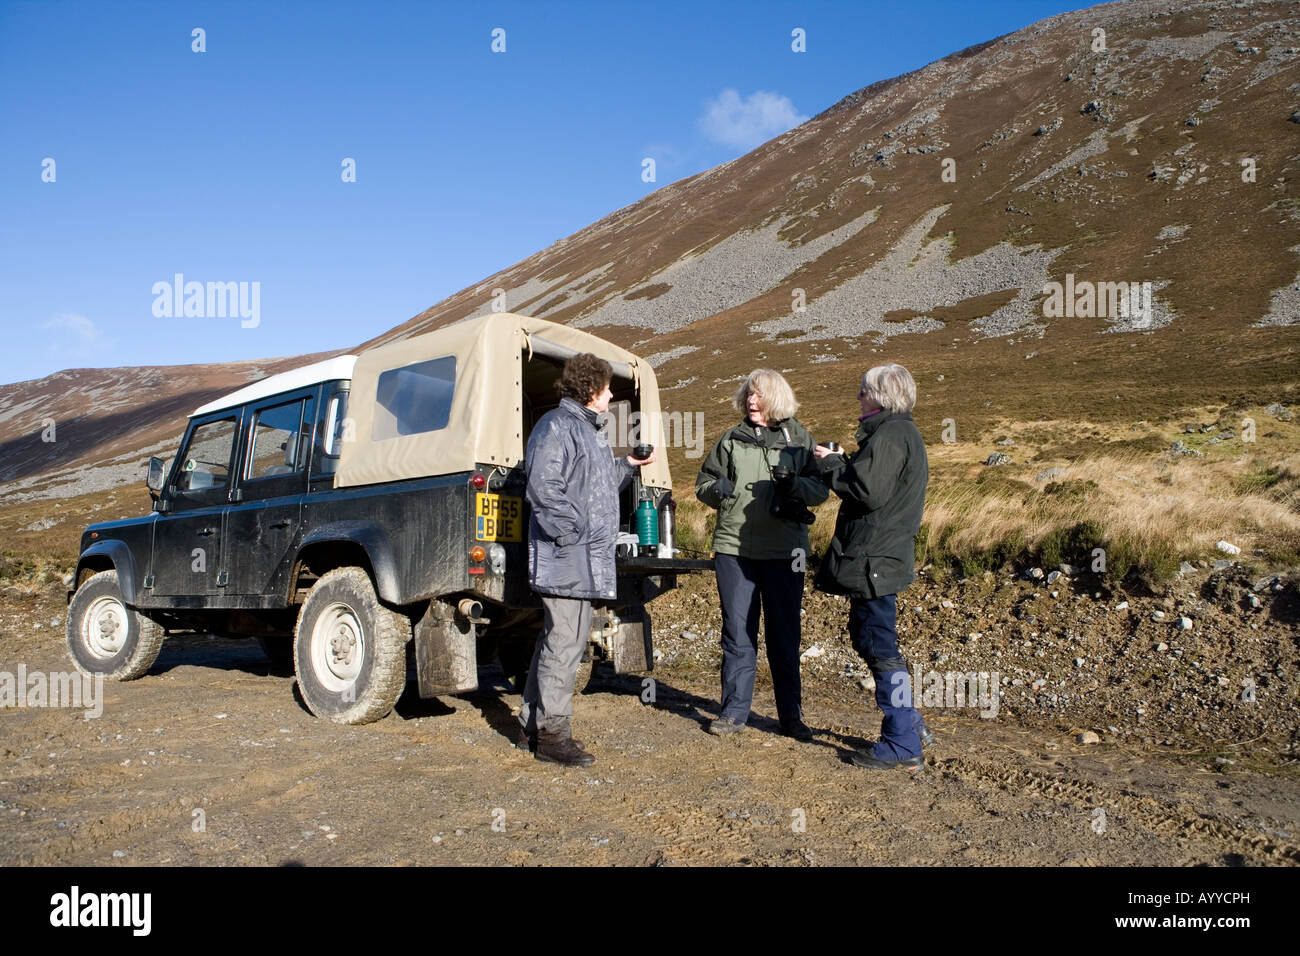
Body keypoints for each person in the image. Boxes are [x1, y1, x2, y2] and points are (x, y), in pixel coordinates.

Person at [519, 353, 655, 766]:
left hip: (581, 557)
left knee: (558, 641)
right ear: (590, 390)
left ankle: (531, 723)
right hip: (566, 556)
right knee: (565, 644)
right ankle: (552, 736)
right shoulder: (556, 427)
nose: (612, 394)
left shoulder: (588, 431)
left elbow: (596, 488)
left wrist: (628, 465)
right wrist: (571, 532)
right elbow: (543, 488)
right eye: (607, 387)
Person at [695, 369, 828, 740]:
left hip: (786, 551)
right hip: (734, 550)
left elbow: (820, 492)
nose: (751, 401)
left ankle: (791, 717)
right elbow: (702, 486)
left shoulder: (799, 438)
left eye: (759, 395)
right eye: (748, 395)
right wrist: (716, 489)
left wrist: (794, 484)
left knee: (784, 635)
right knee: (738, 633)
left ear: (776, 399)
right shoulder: (730, 439)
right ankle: (734, 713)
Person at [814, 363, 932, 771]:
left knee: (879, 644)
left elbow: (866, 490)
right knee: (872, 638)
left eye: (864, 391)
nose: (858, 397)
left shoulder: (893, 434)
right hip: (881, 557)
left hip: (874, 559)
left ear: (882, 396)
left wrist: (831, 464)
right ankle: (910, 724)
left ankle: (902, 739)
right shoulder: (899, 433)